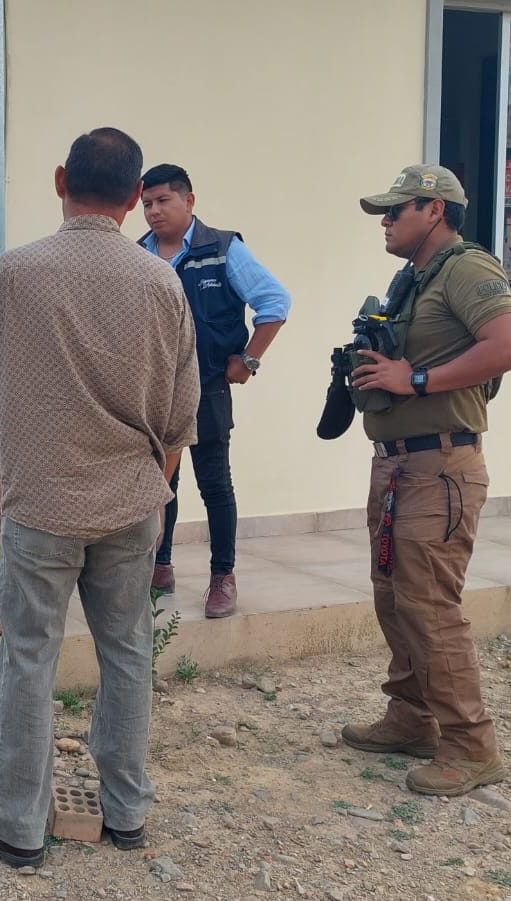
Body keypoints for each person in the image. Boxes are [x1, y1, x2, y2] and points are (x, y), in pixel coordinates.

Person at [0, 128, 199, 866]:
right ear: (135, 197)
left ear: (60, 179)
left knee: (28, 657)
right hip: (131, 499)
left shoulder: (16, 272)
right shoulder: (162, 282)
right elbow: (181, 415)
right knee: (127, 652)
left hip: (43, 503)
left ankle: (17, 827)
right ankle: (127, 812)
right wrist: (155, 486)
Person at [344, 164, 511, 796]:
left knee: (431, 608)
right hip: (399, 462)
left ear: (435, 210)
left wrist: (412, 380)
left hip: (440, 465)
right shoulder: (415, 279)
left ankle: (472, 748)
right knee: (394, 598)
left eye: (396, 212)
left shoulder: (468, 269)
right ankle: (411, 718)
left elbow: (509, 347)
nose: (386, 223)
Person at [138, 163, 291, 616]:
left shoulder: (223, 249)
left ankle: (222, 576)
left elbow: (274, 302)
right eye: (146, 203)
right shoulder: (139, 255)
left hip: (205, 388)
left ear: (189, 200)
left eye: (163, 200)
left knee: (215, 483)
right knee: (161, 482)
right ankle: (159, 566)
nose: (153, 211)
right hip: (153, 392)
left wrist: (249, 358)